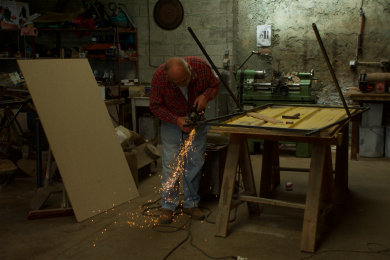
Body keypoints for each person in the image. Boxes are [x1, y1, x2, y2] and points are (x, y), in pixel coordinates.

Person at [150, 56, 220, 224]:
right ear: (168, 78)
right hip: (172, 124)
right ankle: (168, 206)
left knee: (194, 163)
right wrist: (177, 120)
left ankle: (191, 204)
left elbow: (215, 85)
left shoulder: (201, 67)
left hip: (198, 123)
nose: (182, 85)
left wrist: (205, 96)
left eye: (185, 81)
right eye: (177, 84)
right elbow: (155, 106)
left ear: (189, 68)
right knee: (171, 165)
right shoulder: (159, 77)